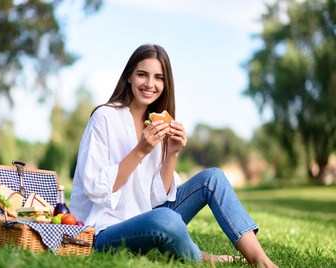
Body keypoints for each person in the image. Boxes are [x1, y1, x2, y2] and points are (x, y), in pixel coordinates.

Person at [69, 44, 277, 267]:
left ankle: (260, 260)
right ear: (129, 76)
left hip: (149, 217)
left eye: (159, 77)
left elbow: (159, 198)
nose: (150, 84)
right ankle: (202, 258)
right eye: (142, 74)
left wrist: (172, 153)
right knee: (166, 219)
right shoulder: (104, 118)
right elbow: (95, 188)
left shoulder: (158, 122)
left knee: (213, 178)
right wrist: (140, 150)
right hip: (104, 230)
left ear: (165, 83)